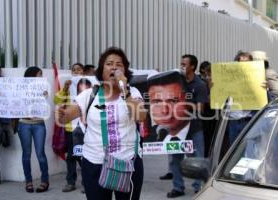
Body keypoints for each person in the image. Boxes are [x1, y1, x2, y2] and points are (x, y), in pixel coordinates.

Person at [58, 47, 147, 200]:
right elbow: (66, 118)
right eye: (109, 64)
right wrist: (62, 114)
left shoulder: (133, 92)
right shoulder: (88, 95)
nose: (114, 67)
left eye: (119, 64)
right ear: (101, 69)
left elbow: (140, 116)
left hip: (128, 162)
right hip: (95, 163)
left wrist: (125, 89)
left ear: (125, 70)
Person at [148, 71, 205, 198]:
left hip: (194, 131)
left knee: (198, 160)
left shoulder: (197, 85)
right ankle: (178, 187)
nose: (165, 110)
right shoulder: (161, 133)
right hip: (174, 136)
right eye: (156, 102)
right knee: (174, 160)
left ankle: (199, 187)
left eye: (173, 101)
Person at [18, 66, 49, 193]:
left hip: (39, 123)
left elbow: (43, 105)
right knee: (26, 154)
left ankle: (45, 181)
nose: (41, 77)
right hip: (24, 123)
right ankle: (28, 181)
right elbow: (13, 103)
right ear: (31, 75)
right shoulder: (20, 88)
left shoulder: (44, 88)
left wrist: (44, 95)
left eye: (41, 75)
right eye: (39, 74)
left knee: (40, 154)